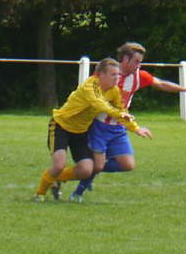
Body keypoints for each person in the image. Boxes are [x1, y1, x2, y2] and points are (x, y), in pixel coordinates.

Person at [67, 42, 186, 201]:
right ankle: (76, 191)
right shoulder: (106, 73)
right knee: (96, 165)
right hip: (99, 125)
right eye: (136, 61)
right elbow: (86, 94)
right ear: (125, 59)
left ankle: (89, 171)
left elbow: (161, 84)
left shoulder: (139, 76)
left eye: (140, 62)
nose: (139, 65)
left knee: (127, 165)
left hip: (119, 127)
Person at [34, 58, 150, 202]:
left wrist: (136, 128)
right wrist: (119, 114)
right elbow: (100, 104)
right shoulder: (91, 85)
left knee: (86, 170)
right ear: (100, 74)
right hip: (61, 126)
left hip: (81, 132)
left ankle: (56, 179)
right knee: (58, 165)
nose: (117, 78)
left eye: (118, 75)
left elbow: (122, 110)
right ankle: (39, 194)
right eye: (113, 74)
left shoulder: (114, 91)